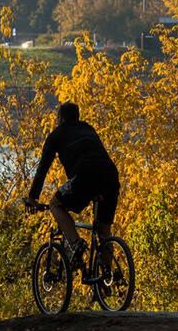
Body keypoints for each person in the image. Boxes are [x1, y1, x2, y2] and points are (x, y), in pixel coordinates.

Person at [23, 101, 120, 273]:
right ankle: (107, 278)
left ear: (59, 118)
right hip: (110, 175)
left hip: (85, 174)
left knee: (55, 204)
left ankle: (76, 244)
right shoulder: (88, 128)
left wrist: (32, 198)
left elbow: (42, 169)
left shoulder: (56, 135)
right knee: (104, 229)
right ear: (78, 117)